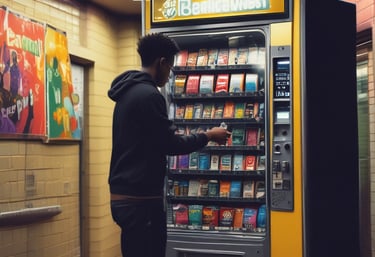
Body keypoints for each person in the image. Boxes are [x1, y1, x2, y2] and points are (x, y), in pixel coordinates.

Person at [107, 33, 230, 257]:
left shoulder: (128, 92)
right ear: (161, 63)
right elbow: (170, 144)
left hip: (126, 197)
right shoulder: (149, 95)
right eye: (170, 67)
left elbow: (151, 140)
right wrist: (209, 135)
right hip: (141, 201)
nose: (169, 74)